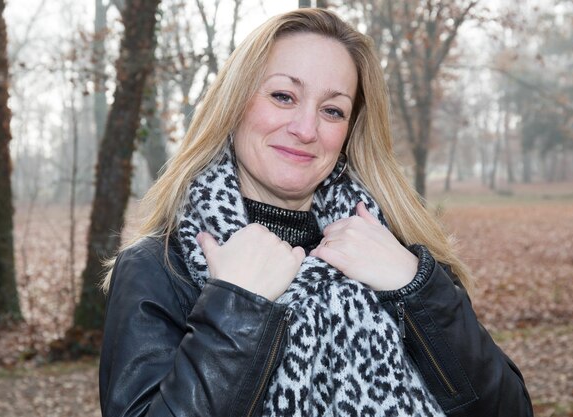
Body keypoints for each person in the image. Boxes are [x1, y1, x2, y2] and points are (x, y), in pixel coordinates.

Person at [99, 8, 533, 417]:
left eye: (332, 110)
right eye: (283, 95)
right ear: (234, 105)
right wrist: (235, 307)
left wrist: (414, 288)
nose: (306, 129)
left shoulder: (394, 248)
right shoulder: (158, 268)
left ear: (349, 131)